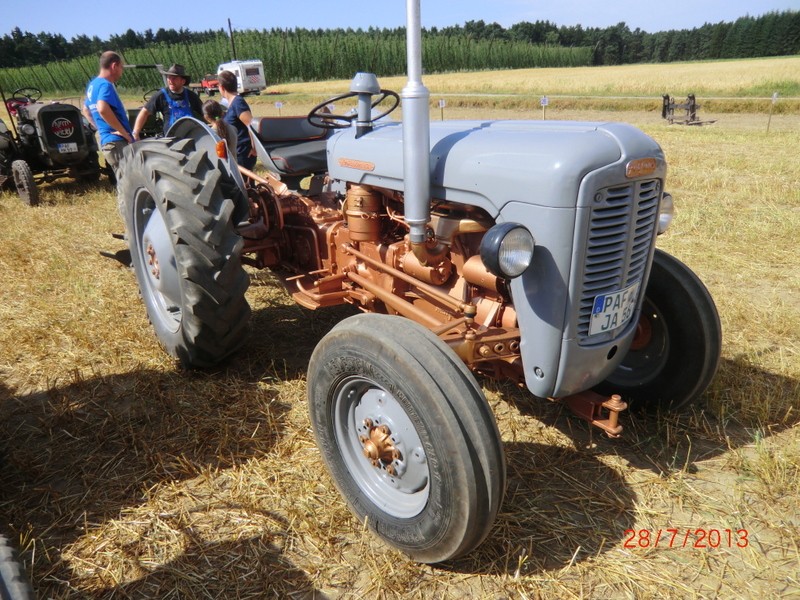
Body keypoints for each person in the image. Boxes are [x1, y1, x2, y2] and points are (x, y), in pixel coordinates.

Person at [83, 50, 133, 174]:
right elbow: (102, 108)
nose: (121, 72)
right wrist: (123, 133)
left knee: (123, 182)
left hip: (107, 141)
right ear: (114, 66)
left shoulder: (93, 85)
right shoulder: (106, 85)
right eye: (121, 67)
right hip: (117, 142)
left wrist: (101, 128)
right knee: (130, 182)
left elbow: (85, 110)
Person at [132, 64, 203, 140]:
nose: (170, 81)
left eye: (174, 78)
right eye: (169, 78)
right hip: (170, 140)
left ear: (183, 81)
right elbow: (144, 112)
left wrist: (214, 125)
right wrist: (135, 133)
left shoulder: (191, 96)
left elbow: (205, 112)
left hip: (190, 138)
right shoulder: (161, 95)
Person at [217, 70, 257, 170]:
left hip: (244, 153)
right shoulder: (231, 103)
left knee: (245, 184)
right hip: (237, 151)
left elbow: (251, 125)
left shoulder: (238, 103)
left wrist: (254, 149)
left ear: (222, 87)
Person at [202, 99, 239, 163]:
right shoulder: (233, 129)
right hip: (234, 170)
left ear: (206, 117)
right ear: (222, 112)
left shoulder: (209, 135)